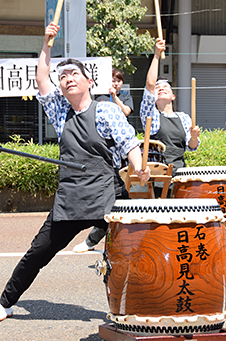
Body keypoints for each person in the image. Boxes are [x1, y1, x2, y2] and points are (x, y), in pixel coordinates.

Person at [0, 22, 150, 322]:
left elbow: (129, 144)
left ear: (89, 81)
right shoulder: (60, 112)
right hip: (70, 199)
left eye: (74, 74)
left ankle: (140, 305)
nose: (68, 79)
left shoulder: (106, 110)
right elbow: (41, 76)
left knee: (135, 250)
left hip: (107, 198)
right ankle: (5, 302)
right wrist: (47, 44)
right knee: (37, 252)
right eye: (63, 76)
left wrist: (139, 168)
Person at [73, 68, 134, 253]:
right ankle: (94, 241)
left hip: (122, 154)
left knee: (122, 203)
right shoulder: (97, 98)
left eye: (119, 80)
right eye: (113, 80)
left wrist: (115, 97)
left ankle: (125, 244)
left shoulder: (125, 96)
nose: (116, 83)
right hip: (102, 158)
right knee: (113, 205)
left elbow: (125, 113)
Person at [140, 38, 200, 198]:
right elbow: (150, 84)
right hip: (158, 176)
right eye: (158, 88)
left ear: (173, 96)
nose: (161, 88)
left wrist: (194, 137)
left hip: (180, 174)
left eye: (166, 87)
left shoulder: (184, 117)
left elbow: (192, 146)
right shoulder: (151, 115)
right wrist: (156, 55)